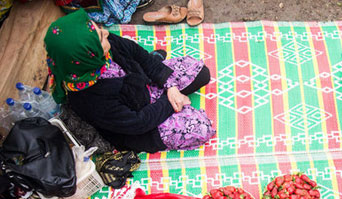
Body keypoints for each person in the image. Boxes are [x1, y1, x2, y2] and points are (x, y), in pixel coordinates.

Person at [44, 9, 215, 153]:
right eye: (100, 38)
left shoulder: (108, 43)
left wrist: (170, 87)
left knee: (201, 73)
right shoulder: (89, 99)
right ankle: (170, 96)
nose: (106, 33)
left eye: (99, 29)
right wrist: (169, 103)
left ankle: (160, 71)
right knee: (201, 128)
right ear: (87, 57)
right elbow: (138, 123)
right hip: (139, 121)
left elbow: (137, 53)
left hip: (143, 84)